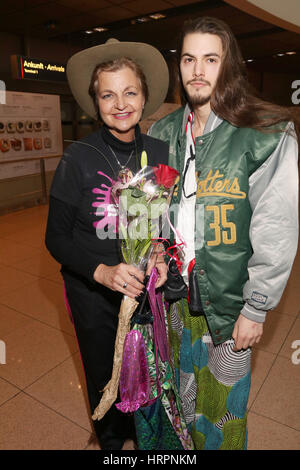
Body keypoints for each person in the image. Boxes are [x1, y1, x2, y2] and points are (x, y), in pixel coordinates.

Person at [149, 16, 299, 450]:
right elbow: (159, 208)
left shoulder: (264, 132)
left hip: (231, 305)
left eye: (210, 59)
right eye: (189, 59)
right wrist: (153, 253)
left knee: (222, 417)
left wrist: (257, 307)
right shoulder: (163, 132)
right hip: (175, 300)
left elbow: (276, 227)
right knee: (180, 402)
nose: (198, 70)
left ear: (228, 65)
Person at [45, 38, 170, 450]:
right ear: (95, 101)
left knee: (145, 369)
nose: (120, 103)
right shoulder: (77, 158)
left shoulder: (159, 153)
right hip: (92, 292)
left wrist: (160, 252)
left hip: (144, 290)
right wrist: (102, 272)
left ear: (145, 97)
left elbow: (166, 225)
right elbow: (56, 237)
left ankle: (144, 434)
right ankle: (111, 441)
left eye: (129, 92)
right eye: (108, 94)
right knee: (104, 370)